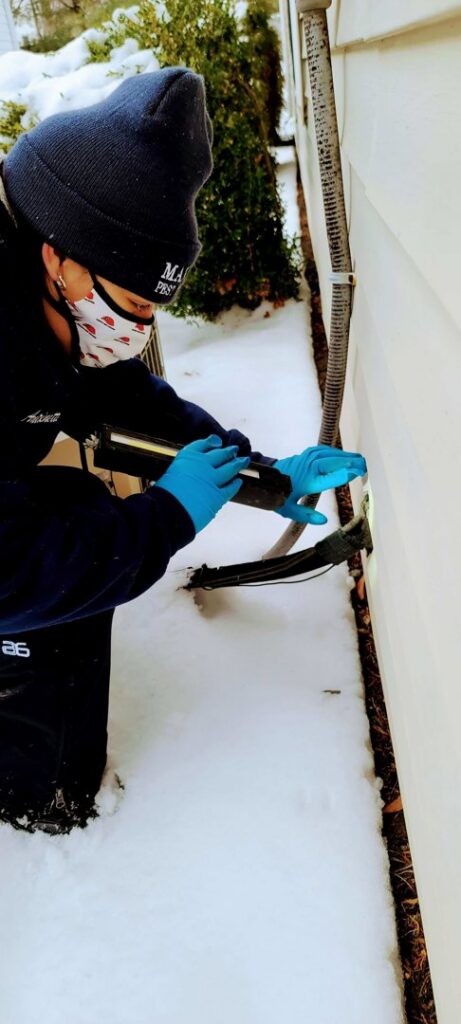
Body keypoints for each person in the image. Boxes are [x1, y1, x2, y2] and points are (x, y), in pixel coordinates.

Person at [0, 67, 366, 834]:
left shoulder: (43, 285)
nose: (136, 330)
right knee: (57, 570)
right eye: (132, 304)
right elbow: (10, 571)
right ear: (59, 257)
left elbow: (125, 396)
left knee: (78, 525)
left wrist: (259, 476)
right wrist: (167, 516)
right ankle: (29, 806)